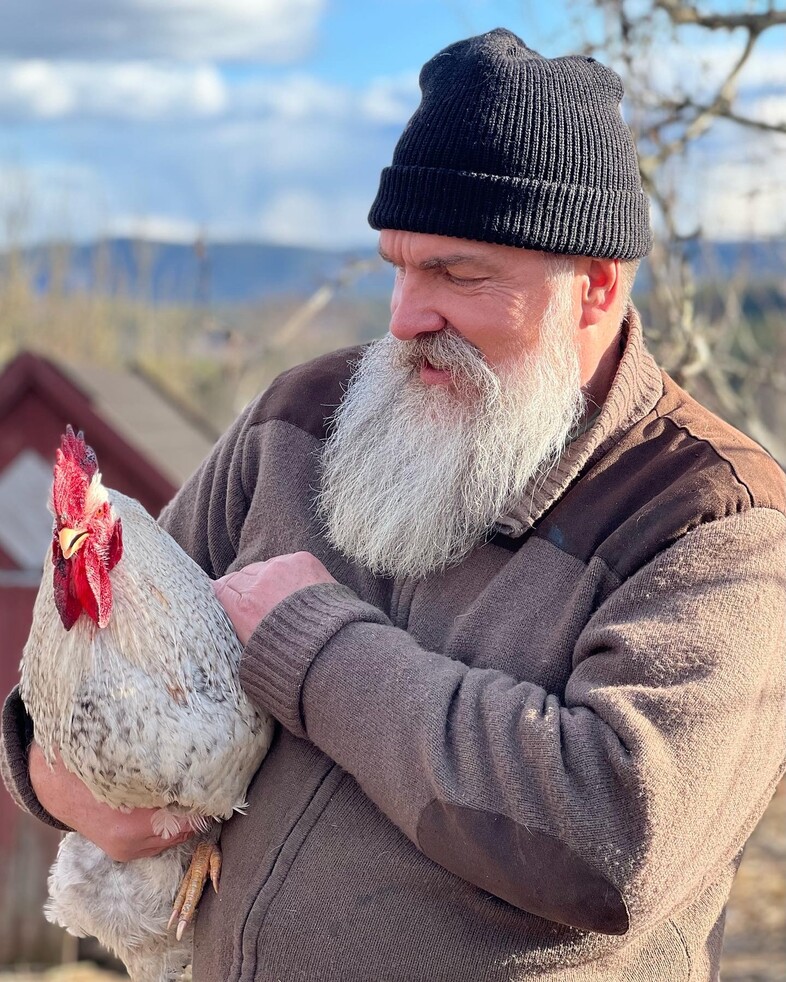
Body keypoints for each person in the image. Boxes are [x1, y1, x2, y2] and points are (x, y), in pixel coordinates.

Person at [3, 27, 785, 981]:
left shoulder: (716, 520)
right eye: (398, 266)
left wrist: (318, 648)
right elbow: (109, 647)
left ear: (595, 287)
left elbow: (614, 838)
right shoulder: (300, 416)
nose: (408, 316)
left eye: (458, 273)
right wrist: (49, 773)